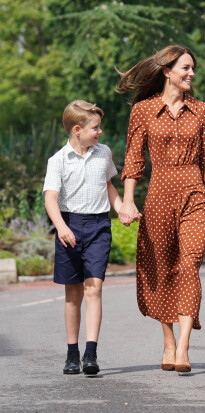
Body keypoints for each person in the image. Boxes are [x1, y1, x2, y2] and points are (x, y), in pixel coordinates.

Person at [116, 44, 205, 374]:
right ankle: (167, 341)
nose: (191, 73)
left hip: (195, 194)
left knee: (190, 265)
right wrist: (127, 201)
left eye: (193, 68)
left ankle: (183, 348)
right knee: (161, 267)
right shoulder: (143, 111)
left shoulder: (203, 111)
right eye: (185, 68)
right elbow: (134, 161)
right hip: (159, 196)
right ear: (167, 71)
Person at [43, 100, 122, 375]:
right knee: (73, 293)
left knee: (94, 287)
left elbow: (109, 185)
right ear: (78, 129)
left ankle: (90, 353)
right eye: (95, 128)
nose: (100, 132)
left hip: (99, 226)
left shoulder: (104, 153)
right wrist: (61, 227)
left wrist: (121, 208)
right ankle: (71, 353)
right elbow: (50, 199)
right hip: (69, 226)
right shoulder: (58, 161)